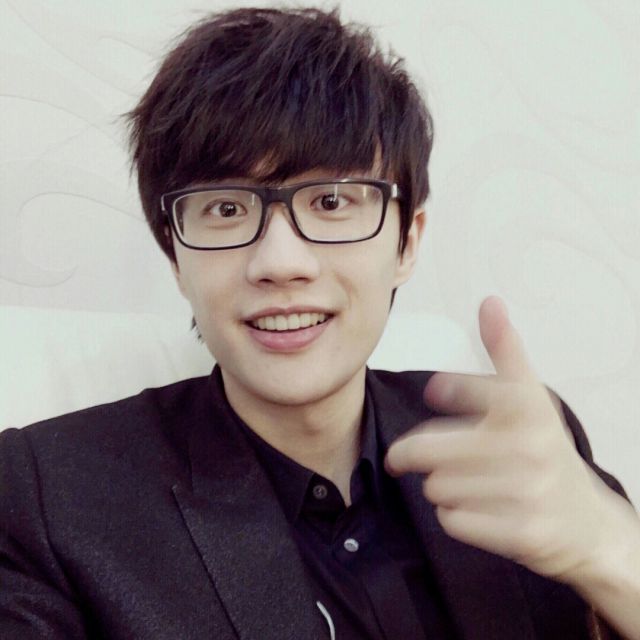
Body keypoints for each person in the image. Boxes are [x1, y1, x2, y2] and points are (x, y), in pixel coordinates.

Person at [1, 7, 639, 639]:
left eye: (331, 201)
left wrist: (608, 549)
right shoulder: (45, 498)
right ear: (175, 255)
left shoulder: (522, 443)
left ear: (408, 240)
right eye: (225, 208)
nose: (281, 263)